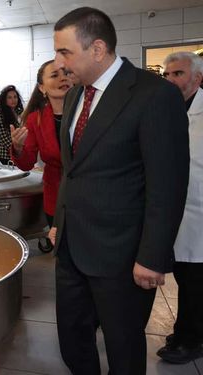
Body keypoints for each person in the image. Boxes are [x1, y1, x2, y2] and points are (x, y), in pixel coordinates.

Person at [51, 7, 189, 374]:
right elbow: (73, 170)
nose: (58, 62)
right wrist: (58, 222)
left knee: (123, 347)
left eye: (65, 52)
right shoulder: (75, 96)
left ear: (97, 49)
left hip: (123, 255)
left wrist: (153, 256)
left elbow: (169, 183)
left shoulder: (153, 95)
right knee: (72, 340)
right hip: (72, 247)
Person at [156, 51, 203, 364]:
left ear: (197, 78)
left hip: (199, 213)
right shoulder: (164, 109)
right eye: (168, 74)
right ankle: (186, 329)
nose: (171, 80)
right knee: (185, 277)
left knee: (196, 280)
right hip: (176, 210)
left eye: (179, 74)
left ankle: (191, 340)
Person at [10, 61, 72, 227]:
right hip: (56, 198)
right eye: (54, 75)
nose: (63, 78)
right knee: (62, 250)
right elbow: (27, 163)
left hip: (91, 198)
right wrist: (18, 147)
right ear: (42, 88)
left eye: (67, 73)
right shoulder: (35, 119)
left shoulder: (88, 113)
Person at [0, 85, 24, 165]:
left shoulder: (19, 111)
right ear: (4, 100)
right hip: (6, 154)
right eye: (9, 97)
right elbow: (5, 138)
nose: (13, 100)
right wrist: (18, 150)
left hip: (19, 151)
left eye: (15, 97)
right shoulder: (0, 114)